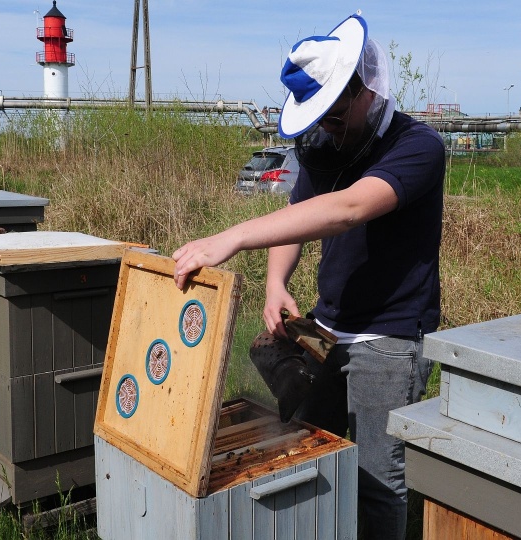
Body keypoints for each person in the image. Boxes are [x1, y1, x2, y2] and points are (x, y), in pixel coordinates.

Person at [173, 12, 444, 540]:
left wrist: (234, 237)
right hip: (325, 328)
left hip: (388, 339)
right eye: (322, 121)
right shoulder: (329, 146)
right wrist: (276, 281)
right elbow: (296, 217)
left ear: (364, 90)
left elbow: (347, 209)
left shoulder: (418, 147)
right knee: (309, 450)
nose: (328, 130)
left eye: (335, 118)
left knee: (376, 480)